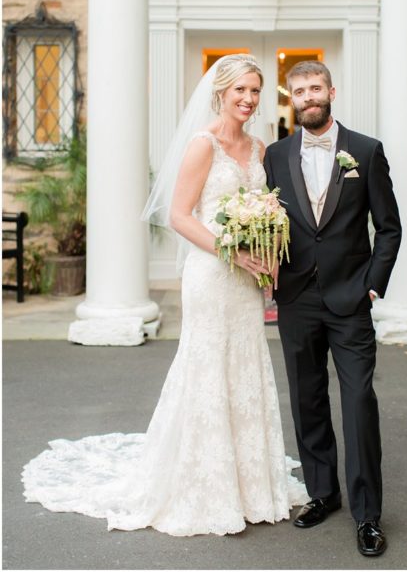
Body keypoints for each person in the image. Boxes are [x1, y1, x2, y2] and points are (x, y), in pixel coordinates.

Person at [22, 54, 308, 536]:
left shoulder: (260, 147)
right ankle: (206, 485)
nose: (248, 98)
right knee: (208, 369)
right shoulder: (203, 145)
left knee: (244, 366)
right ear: (220, 93)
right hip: (212, 274)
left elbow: (266, 210)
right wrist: (232, 253)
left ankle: (250, 484)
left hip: (246, 281)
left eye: (255, 90)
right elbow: (179, 215)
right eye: (240, 89)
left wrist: (265, 254)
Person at [263, 60, 401, 557]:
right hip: (296, 296)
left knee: (359, 401)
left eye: (315, 87)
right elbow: (270, 221)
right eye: (299, 91)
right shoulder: (275, 155)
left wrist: (372, 285)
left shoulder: (366, 150)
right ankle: (322, 492)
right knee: (307, 398)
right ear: (292, 99)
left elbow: (389, 227)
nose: (308, 97)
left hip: (350, 298)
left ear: (331, 91)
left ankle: (368, 515)